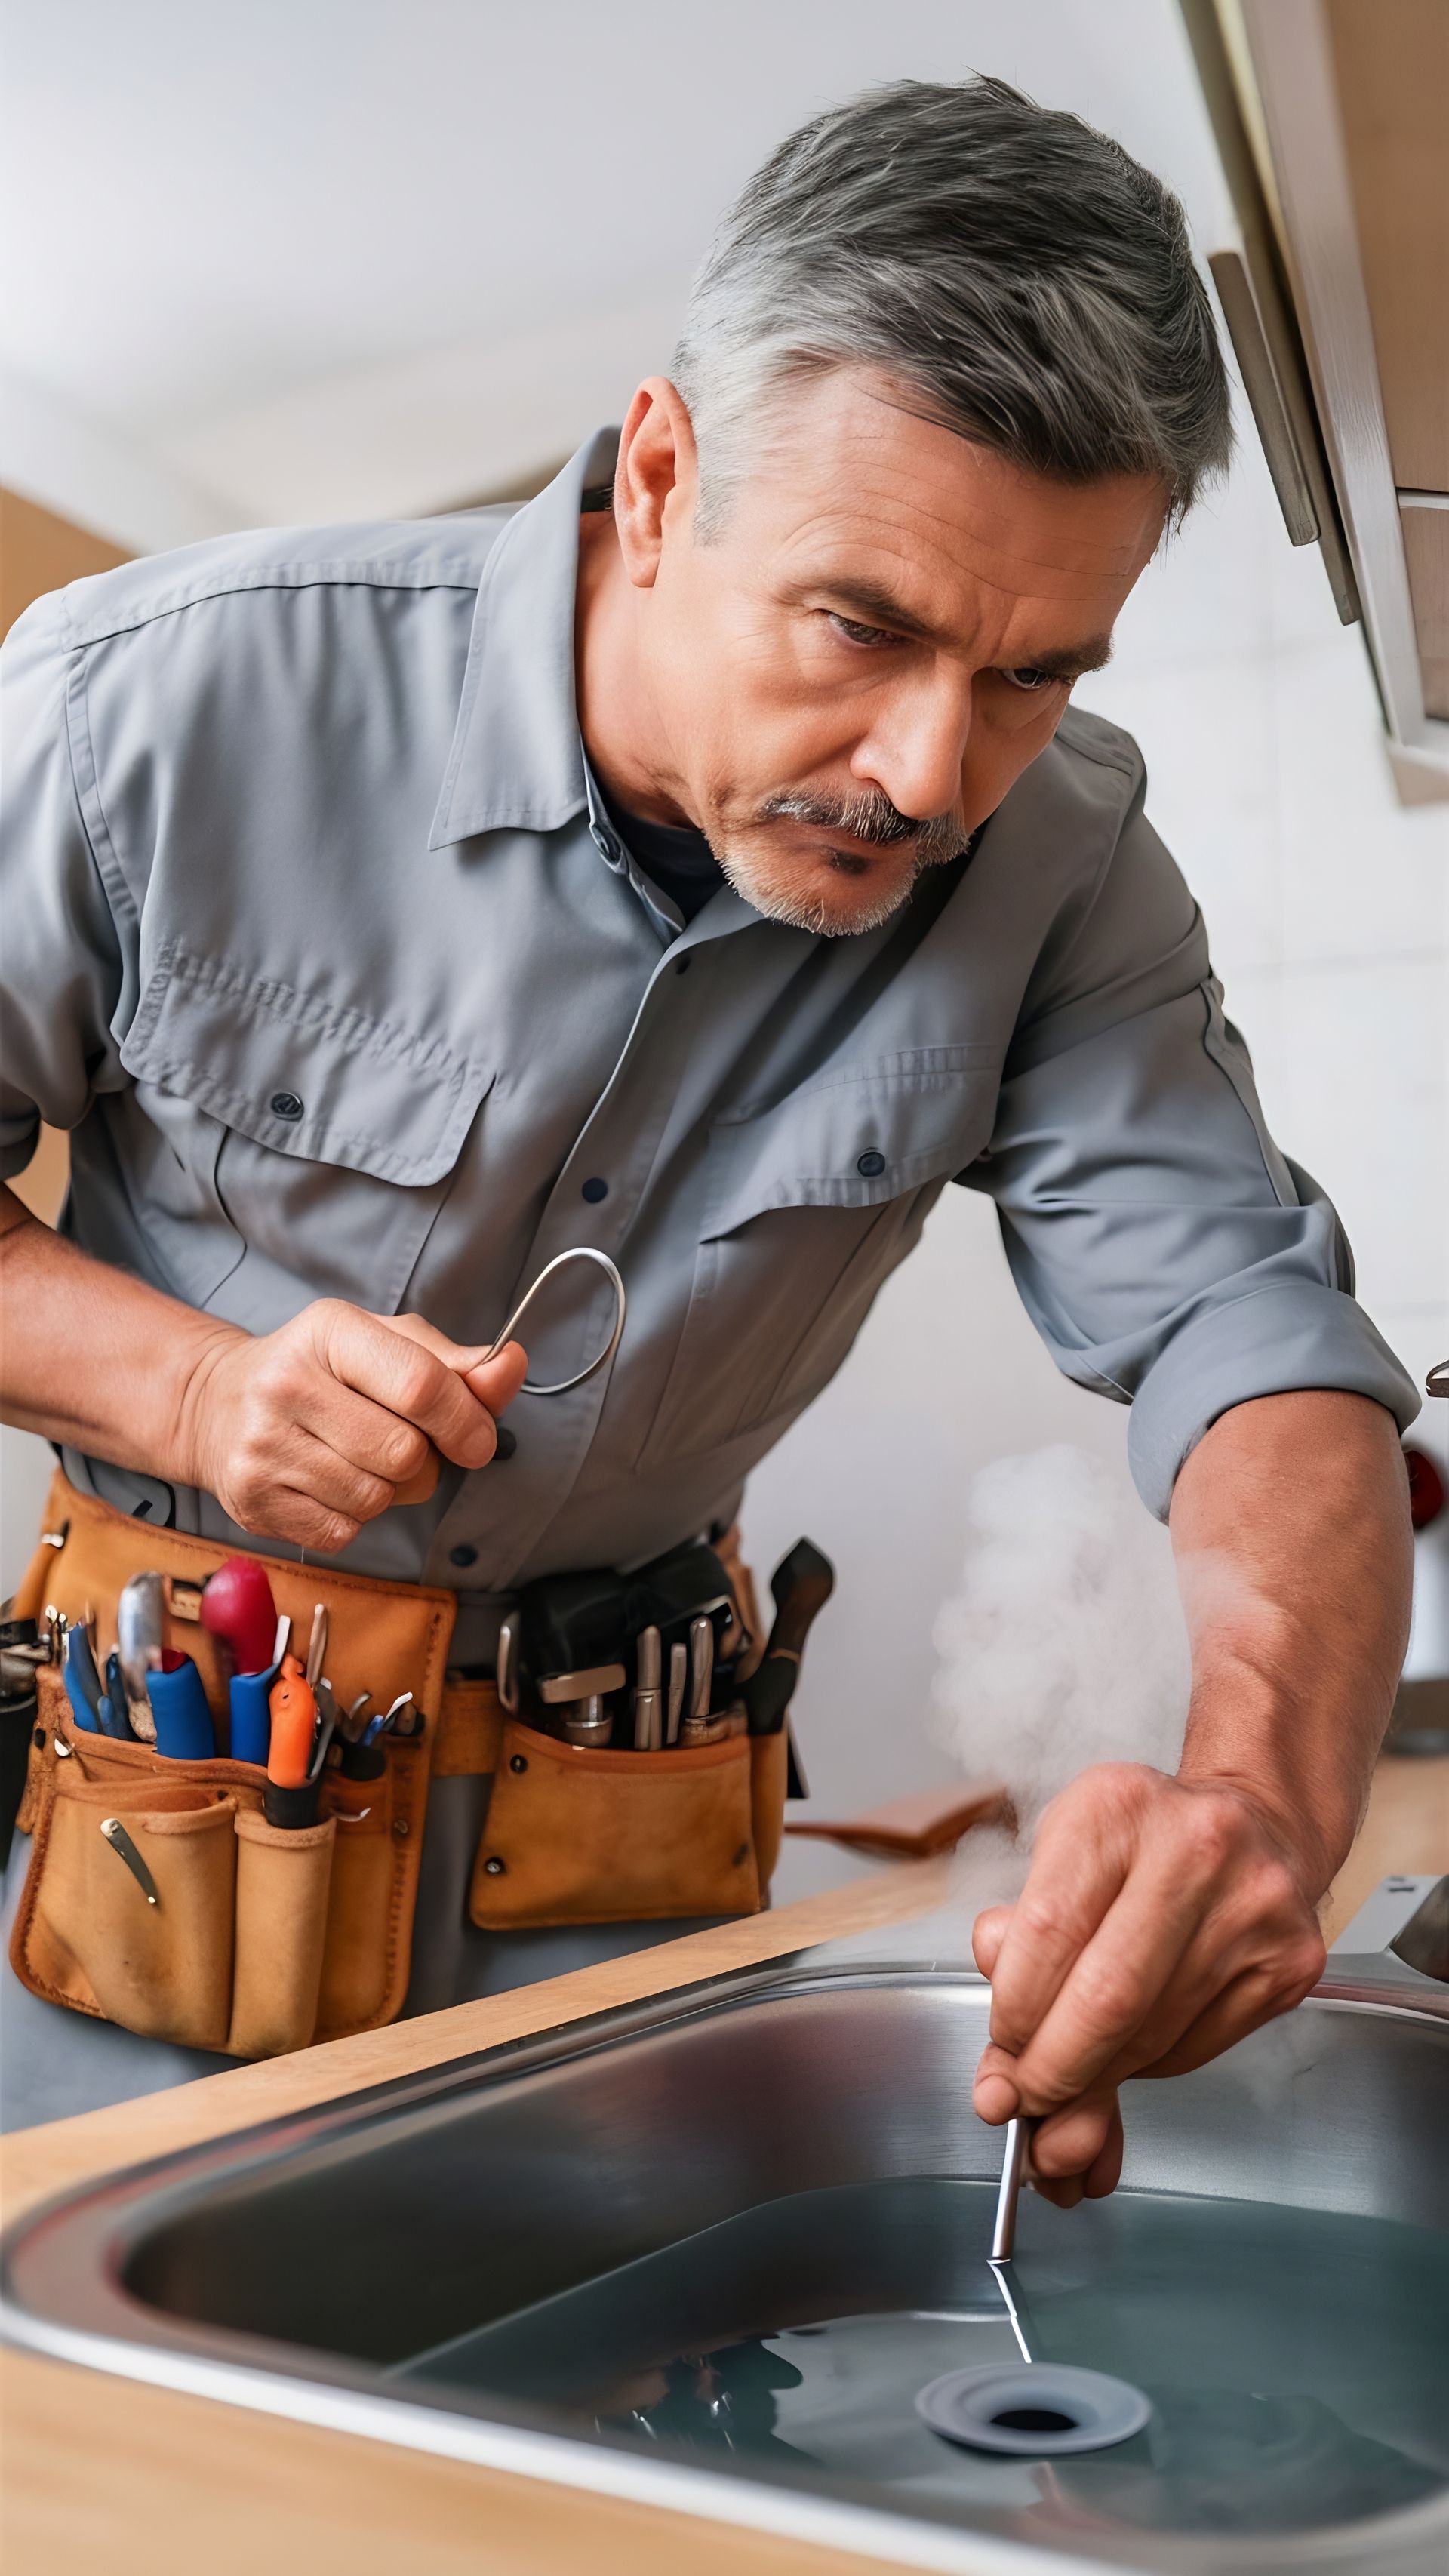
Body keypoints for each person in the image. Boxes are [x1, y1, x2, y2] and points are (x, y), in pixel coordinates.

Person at [0, 78, 1416, 2181]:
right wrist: (198, 1388)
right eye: (867, 628)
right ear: (662, 479)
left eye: (1033, 675)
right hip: (160, 1884)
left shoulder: (1073, 869)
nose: (933, 776)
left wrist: (1263, 1813)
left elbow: (1255, 1349)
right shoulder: (156, 703)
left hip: (633, 1903)